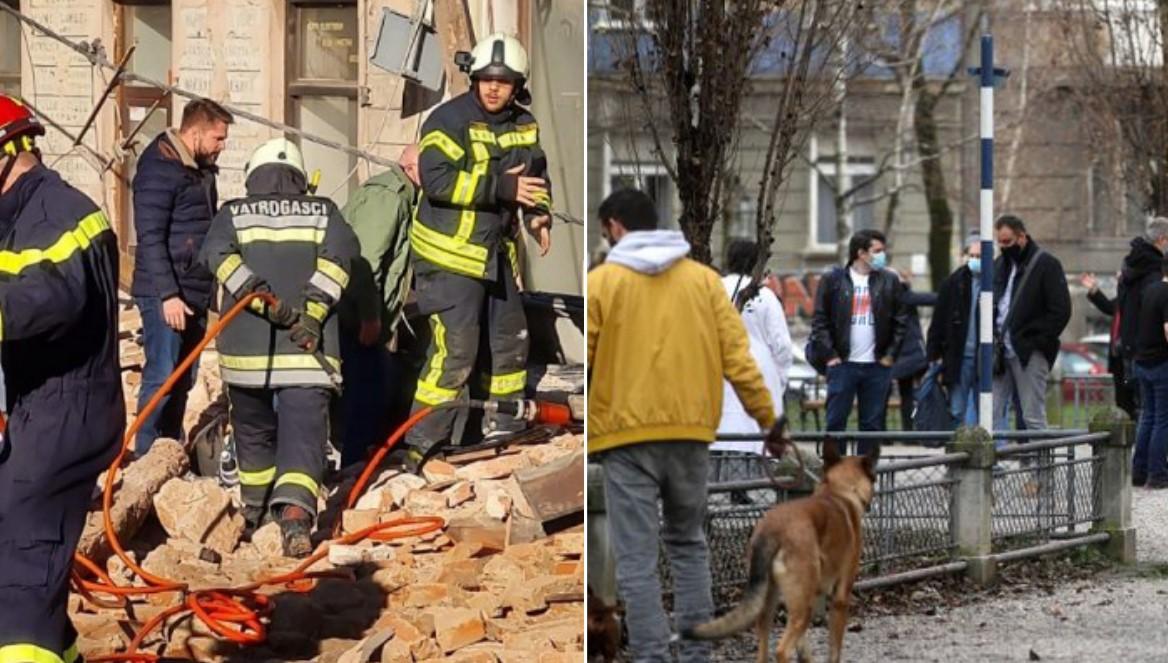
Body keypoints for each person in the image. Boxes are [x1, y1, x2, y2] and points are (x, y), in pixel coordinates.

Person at [588, 189, 780, 663]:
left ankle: (651, 656)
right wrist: (769, 421)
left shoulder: (603, 283)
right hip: (692, 434)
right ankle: (697, 655)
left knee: (637, 558)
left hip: (625, 437)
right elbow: (738, 359)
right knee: (688, 545)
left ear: (615, 226)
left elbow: (587, 358)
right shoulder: (704, 282)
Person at [0, 95, 124, 663]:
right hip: (35, 410)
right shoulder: (18, 216)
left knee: (20, 572)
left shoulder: (56, 214)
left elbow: (51, 297)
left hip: (66, 413)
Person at [402, 33, 554, 473]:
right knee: (457, 352)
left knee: (510, 342)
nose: (493, 88)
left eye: (503, 82)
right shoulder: (446, 121)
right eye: (486, 79)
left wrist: (538, 216)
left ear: (517, 85)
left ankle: (499, 430)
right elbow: (437, 180)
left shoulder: (524, 125)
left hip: (493, 255)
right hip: (449, 258)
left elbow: (535, 177)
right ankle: (421, 444)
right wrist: (501, 186)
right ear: (473, 78)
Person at [200, 138, 359, 557]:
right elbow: (339, 262)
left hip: (245, 357)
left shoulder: (232, 213)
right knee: (304, 438)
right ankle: (293, 521)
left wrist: (254, 296)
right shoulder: (325, 211)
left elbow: (215, 256)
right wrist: (313, 314)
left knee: (253, 434)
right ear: (301, 178)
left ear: (253, 176)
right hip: (309, 353)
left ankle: (253, 513)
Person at [131, 98, 233, 456]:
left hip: (194, 290)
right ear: (195, 132)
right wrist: (167, 295)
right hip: (166, 294)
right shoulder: (159, 169)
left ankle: (168, 449)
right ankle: (145, 455)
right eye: (218, 139)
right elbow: (151, 237)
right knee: (162, 375)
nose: (222, 147)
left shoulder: (199, 168)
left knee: (184, 377)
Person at [336, 144, 420, 467]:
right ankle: (353, 469)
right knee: (367, 393)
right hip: (355, 316)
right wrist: (370, 318)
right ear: (410, 167)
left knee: (374, 388)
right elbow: (366, 263)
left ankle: (357, 465)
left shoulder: (402, 197)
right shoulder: (389, 197)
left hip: (360, 315)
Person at [808, 229, 908, 453]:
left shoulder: (889, 280)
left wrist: (890, 355)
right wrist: (831, 355)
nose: (882, 255)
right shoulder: (833, 280)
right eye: (877, 251)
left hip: (876, 366)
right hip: (843, 365)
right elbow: (820, 320)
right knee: (835, 424)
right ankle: (834, 477)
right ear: (861, 253)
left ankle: (865, 478)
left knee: (871, 427)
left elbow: (901, 321)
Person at [992, 214, 1071, 441]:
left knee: (1032, 416)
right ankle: (989, 467)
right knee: (992, 412)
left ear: (1022, 237)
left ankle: (1040, 471)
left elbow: (1060, 311)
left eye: (1007, 242)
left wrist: (1035, 339)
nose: (1003, 247)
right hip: (1000, 351)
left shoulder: (1046, 265)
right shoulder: (1000, 265)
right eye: (1000, 242)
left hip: (1029, 350)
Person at [1080, 217, 1168, 421]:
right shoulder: (1153, 273)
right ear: (1162, 240)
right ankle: (1144, 453)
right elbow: (1125, 309)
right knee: (1151, 414)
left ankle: (1134, 453)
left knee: (1134, 411)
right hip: (1144, 351)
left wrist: (1095, 292)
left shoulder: (1132, 268)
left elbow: (1119, 308)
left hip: (1124, 348)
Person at [715, 240, 793, 444]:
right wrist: (779, 379)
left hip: (716, 376)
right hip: (759, 377)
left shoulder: (712, 290)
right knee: (753, 446)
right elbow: (782, 346)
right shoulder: (765, 296)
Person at [928, 233, 983, 426]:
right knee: (957, 409)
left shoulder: (995, 282)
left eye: (980, 256)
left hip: (987, 358)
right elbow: (939, 320)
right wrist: (934, 354)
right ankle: (957, 450)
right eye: (972, 255)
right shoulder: (953, 283)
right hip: (959, 357)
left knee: (987, 410)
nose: (975, 260)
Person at [1131, 254, 1168, 488]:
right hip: (1162, 363)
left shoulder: (1151, 290)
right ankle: (1158, 474)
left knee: (1148, 417)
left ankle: (1139, 471)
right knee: (1162, 420)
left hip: (1143, 361)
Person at [889, 267, 936, 430]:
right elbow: (927, 298)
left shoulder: (890, 295)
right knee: (912, 395)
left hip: (901, 356)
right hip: (909, 356)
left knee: (905, 396)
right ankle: (912, 429)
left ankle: (903, 431)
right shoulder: (902, 294)